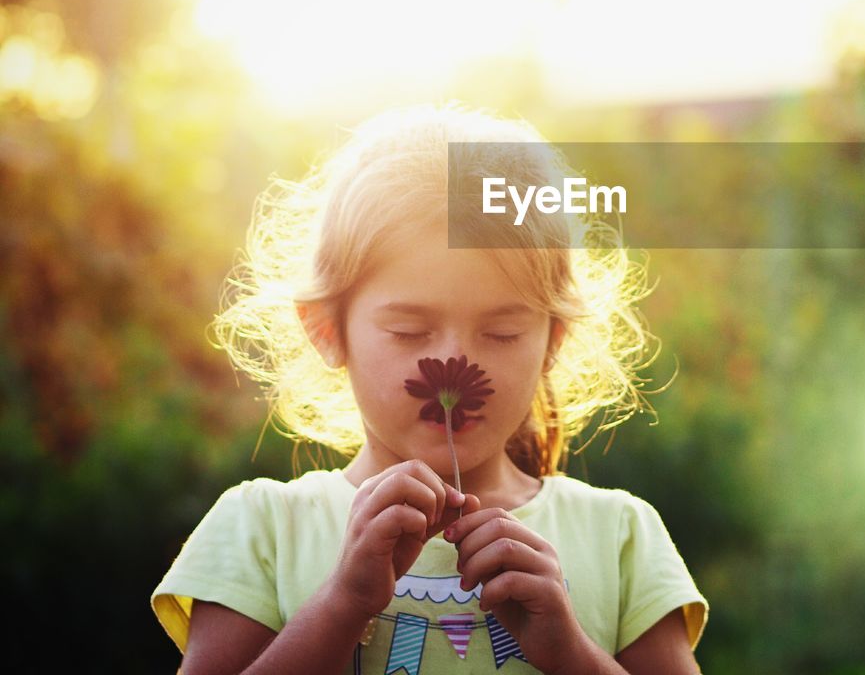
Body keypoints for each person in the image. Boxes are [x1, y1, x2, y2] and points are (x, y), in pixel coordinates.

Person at [151, 101, 708, 675]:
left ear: (554, 340)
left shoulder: (619, 536)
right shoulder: (263, 529)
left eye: (501, 331)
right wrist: (343, 603)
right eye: (408, 330)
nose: (454, 361)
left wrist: (569, 650)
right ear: (326, 330)